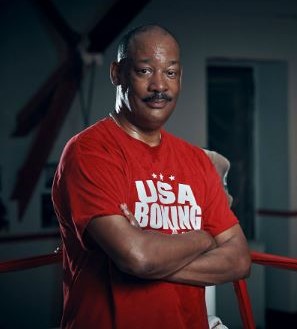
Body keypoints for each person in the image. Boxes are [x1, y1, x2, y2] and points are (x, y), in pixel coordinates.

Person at [52, 24, 251, 329]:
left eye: (171, 73)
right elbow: (138, 258)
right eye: (145, 71)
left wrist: (151, 253)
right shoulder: (89, 152)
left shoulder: (196, 160)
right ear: (117, 73)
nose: (160, 86)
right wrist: (203, 237)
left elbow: (238, 260)